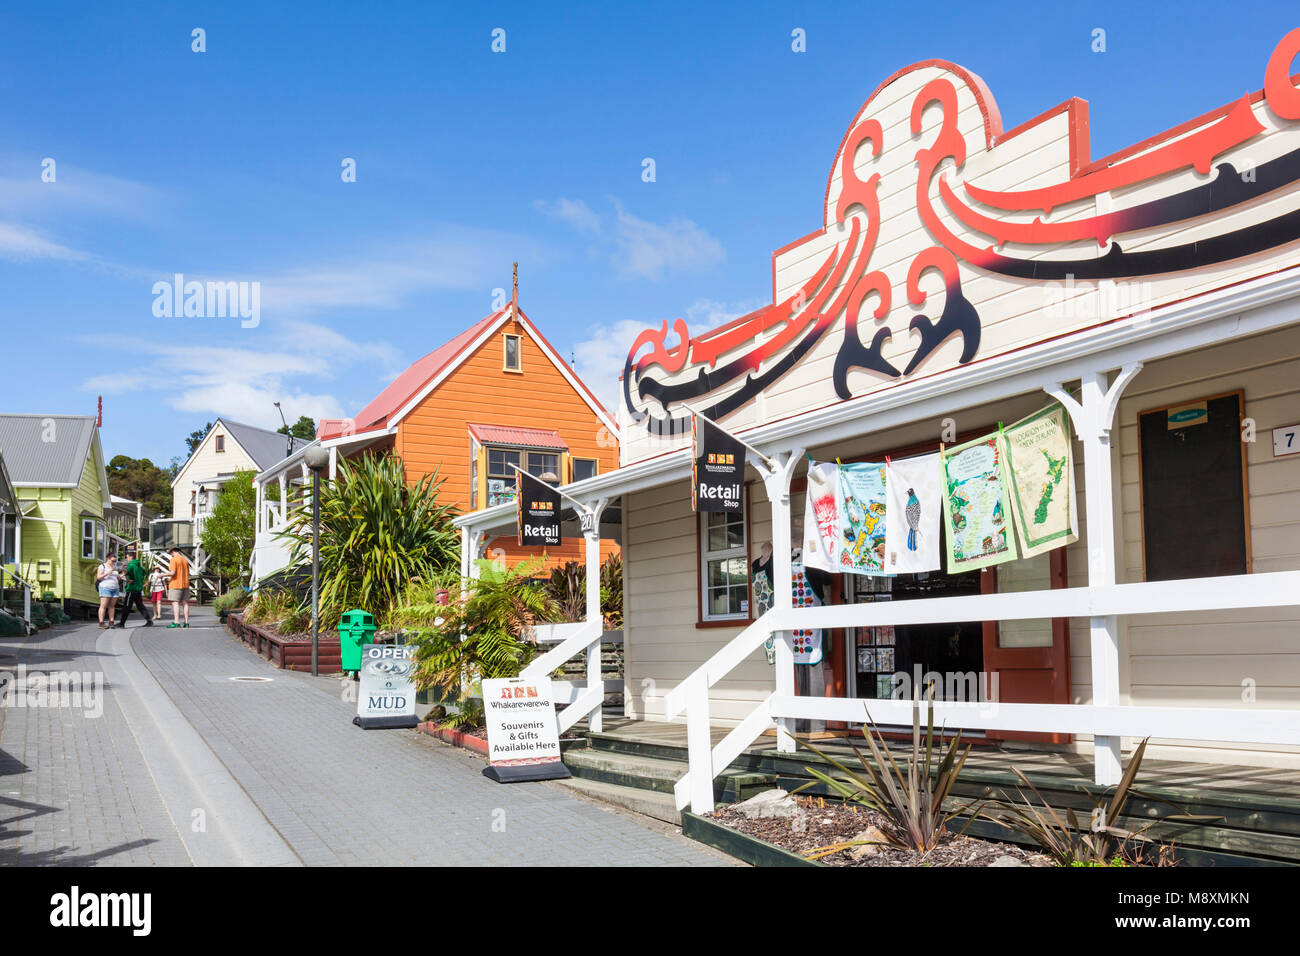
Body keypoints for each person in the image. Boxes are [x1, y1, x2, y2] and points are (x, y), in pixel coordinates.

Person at [116, 548, 152, 627]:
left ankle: (122, 623)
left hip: (132, 589)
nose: (126, 559)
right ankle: (149, 620)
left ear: (130, 557)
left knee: (127, 606)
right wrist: (137, 578)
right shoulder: (139, 566)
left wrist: (121, 576)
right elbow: (144, 572)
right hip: (138, 589)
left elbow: (126, 572)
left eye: (127, 557)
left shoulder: (131, 565)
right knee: (140, 606)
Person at [166, 546, 192, 629]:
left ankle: (176, 622)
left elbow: (172, 573)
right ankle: (186, 623)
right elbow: (188, 573)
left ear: (173, 551)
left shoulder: (174, 559)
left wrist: (162, 575)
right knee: (185, 603)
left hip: (175, 584)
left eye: (170, 553)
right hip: (185, 584)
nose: (170, 555)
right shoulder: (185, 560)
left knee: (175, 603)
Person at [95, 553, 120, 628]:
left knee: (112, 606)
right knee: (103, 606)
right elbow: (98, 577)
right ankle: (101, 622)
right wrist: (107, 573)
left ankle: (111, 622)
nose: (114, 562)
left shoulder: (114, 567)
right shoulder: (102, 566)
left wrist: (122, 575)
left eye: (115, 561)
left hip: (115, 588)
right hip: (105, 587)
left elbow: (117, 577)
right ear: (108, 559)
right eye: (112, 561)